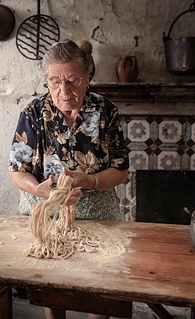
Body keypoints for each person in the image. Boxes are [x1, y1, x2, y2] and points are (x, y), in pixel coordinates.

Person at [8, 40, 129, 319]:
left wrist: (88, 181)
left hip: (97, 208)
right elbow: (17, 169)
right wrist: (38, 190)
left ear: (87, 78)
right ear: (47, 80)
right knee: (53, 282)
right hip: (46, 207)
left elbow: (121, 170)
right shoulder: (33, 113)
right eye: (55, 81)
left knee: (98, 286)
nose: (63, 91)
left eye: (73, 80)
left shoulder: (106, 112)